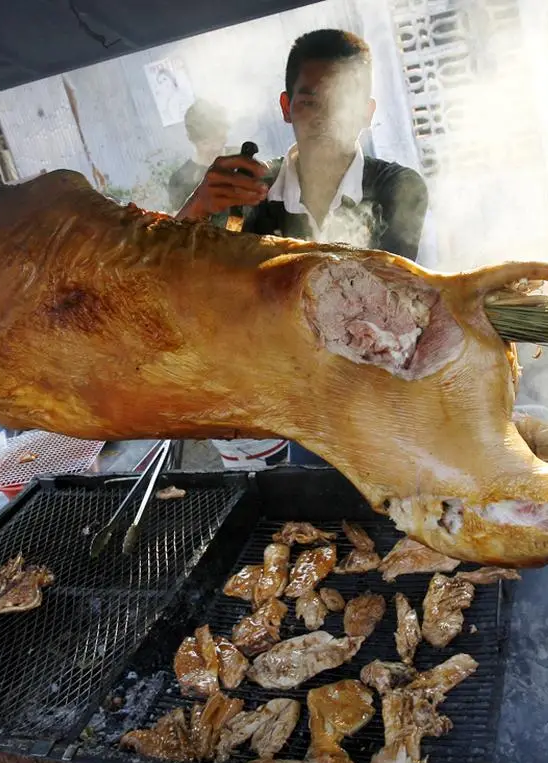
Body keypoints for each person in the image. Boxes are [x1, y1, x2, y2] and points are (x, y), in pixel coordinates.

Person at [178, 28, 429, 466]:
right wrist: (197, 209)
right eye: (310, 101)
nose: (325, 117)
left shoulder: (398, 188)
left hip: (377, 405)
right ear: (286, 108)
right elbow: (182, 281)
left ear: (367, 112)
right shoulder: (251, 190)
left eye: (343, 101)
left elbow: (384, 307)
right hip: (286, 410)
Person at [167, 100, 231, 216]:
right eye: (207, 143)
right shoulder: (179, 181)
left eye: (220, 138)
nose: (216, 147)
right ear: (192, 140)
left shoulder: (243, 157)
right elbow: (182, 224)